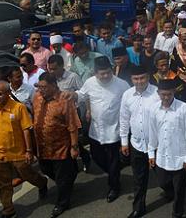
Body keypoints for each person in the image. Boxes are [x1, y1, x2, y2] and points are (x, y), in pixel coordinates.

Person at [0, 81, 48, 218]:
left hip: (18, 153)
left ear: (8, 93)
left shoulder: (19, 108)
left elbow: (26, 129)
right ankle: (8, 209)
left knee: (27, 175)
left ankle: (42, 183)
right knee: (4, 184)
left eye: (0, 94)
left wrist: (29, 151)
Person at [72, 56, 130, 202]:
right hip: (96, 130)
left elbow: (131, 101)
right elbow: (81, 94)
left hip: (115, 131)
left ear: (111, 70)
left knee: (113, 160)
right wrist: (72, 95)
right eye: (101, 73)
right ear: (95, 72)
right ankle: (114, 172)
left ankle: (114, 187)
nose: (105, 76)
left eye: (108, 72)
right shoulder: (90, 83)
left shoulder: (121, 84)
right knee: (97, 157)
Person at [33, 73, 81, 217]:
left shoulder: (64, 101)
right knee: (46, 169)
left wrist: (74, 146)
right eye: (39, 87)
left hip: (61, 147)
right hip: (42, 147)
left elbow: (72, 125)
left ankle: (62, 203)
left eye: (44, 87)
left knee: (61, 179)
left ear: (54, 85)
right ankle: (69, 177)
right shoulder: (37, 98)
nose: (41, 90)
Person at [147, 78, 186, 218]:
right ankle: (171, 194)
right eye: (163, 94)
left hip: (179, 156)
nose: (166, 97)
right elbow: (153, 132)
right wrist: (151, 153)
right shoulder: (154, 109)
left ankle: (177, 212)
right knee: (163, 182)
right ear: (158, 93)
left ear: (174, 92)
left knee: (179, 187)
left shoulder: (184, 108)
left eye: (169, 94)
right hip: (162, 155)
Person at [119, 69, 160, 218]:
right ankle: (138, 208)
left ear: (148, 77)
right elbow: (124, 119)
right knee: (138, 179)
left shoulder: (157, 94)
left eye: (142, 78)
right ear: (131, 79)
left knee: (163, 177)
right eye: (135, 79)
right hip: (136, 144)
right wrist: (124, 141)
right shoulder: (127, 95)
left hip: (156, 145)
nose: (139, 81)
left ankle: (171, 191)